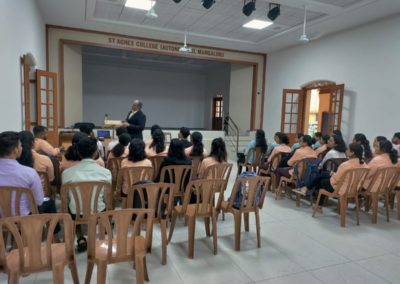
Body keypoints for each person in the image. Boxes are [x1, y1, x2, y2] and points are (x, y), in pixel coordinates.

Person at [62, 136, 112, 252]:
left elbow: (67, 199)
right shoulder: (105, 173)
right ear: (96, 153)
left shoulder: (67, 173)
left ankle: (80, 237)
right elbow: (106, 198)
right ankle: (100, 239)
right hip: (99, 212)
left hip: (76, 213)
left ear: (78, 152)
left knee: (72, 206)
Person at [16, 131, 60, 235]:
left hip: (9, 207)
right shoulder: (44, 160)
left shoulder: (14, 163)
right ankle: (54, 236)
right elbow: (51, 180)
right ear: (33, 143)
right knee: (50, 202)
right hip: (35, 205)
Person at [313, 143, 369, 212]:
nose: (346, 151)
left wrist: (333, 174)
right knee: (324, 176)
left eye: (348, 149)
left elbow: (336, 179)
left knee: (322, 181)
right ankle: (312, 195)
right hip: (354, 190)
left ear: (352, 153)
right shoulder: (365, 166)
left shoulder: (345, 165)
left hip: (341, 189)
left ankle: (318, 205)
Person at [0, 131, 44, 217]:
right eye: (20, 145)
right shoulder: (29, 173)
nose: (21, 148)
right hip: (23, 221)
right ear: (15, 150)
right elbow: (39, 201)